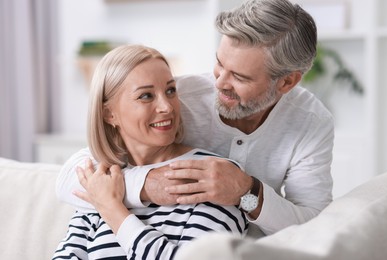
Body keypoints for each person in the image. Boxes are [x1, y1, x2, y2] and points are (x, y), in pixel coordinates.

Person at [56, 0, 334, 238]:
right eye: (220, 64)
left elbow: (314, 225)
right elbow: (71, 179)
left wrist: (246, 193)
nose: (220, 83)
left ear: (287, 82)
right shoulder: (178, 97)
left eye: (239, 76)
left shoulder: (311, 122)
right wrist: (147, 185)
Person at [52, 44, 247, 259]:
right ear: (109, 114)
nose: (167, 107)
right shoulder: (103, 179)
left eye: (170, 90)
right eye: (146, 96)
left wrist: (113, 210)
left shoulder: (212, 176)